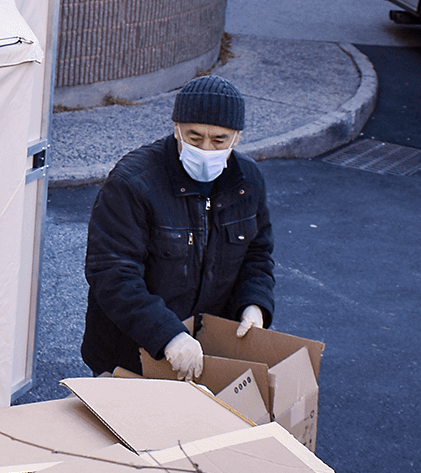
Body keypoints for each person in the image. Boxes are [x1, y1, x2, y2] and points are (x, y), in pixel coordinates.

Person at [81, 74, 275, 380]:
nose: (206, 149)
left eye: (219, 140)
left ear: (237, 137)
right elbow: (112, 272)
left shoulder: (247, 181)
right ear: (176, 128)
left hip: (206, 350)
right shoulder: (133, 182)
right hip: (128, 355)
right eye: (194, 137)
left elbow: (256, 254)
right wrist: (167, 334)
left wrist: (254, 304)